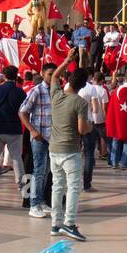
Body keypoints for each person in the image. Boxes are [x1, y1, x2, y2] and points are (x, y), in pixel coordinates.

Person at [46, 46, 89, 241]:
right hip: (70, 150)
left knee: (57, 186)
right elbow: (81, 129)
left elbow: (54, 77)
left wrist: (66, 60)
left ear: (69, 80)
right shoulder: (80, 103)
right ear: (83, 85)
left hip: (54, 149)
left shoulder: (56, 95)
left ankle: (56, 224)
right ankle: (70, 224)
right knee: (73, 187)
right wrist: (90, 126)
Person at [19, 61, 55, 218]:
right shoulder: (37, 91)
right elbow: (22, 111)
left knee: (47, 171)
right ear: (43, 74)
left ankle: (40, 201)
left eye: (55, 74)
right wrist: (32, 130)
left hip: (52, 137)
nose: (53, 77)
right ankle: (33, 204)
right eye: (50, 74)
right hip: (39, 137)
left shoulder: (57, 91)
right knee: (39, 171)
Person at [0, 64, 25, 192]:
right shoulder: (20, 92)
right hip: (15, 129)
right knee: (16, 157)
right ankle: (21, 183)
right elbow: (24, 110)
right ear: (16, 75)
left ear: (5, 76)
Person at [79, 70, 109, 189]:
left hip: (73, 122)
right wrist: (90, 107)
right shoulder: (91, 89)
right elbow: (96, 109)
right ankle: (87, 183)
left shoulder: (67, 86)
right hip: (88, 122)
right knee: (89, 154)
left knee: (73, 154)